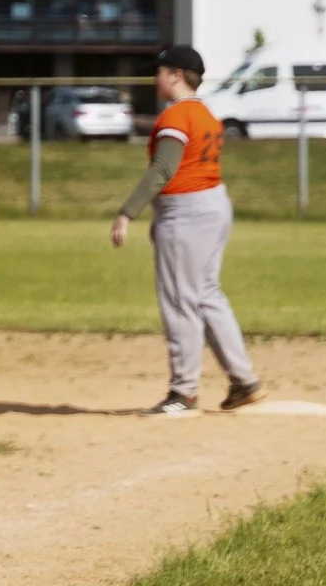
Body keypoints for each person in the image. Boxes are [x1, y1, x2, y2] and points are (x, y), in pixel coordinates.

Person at [111, 45, 264, 415]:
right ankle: (244, 381)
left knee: (180, 301)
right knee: (206, 294)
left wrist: (126, 213)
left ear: (176, 75)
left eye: (160, 71)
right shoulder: (205, 112)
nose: (155, 78)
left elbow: (162, 170)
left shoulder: (176, 117)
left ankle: (184, 392)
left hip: (186, 212)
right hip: (213, 204)